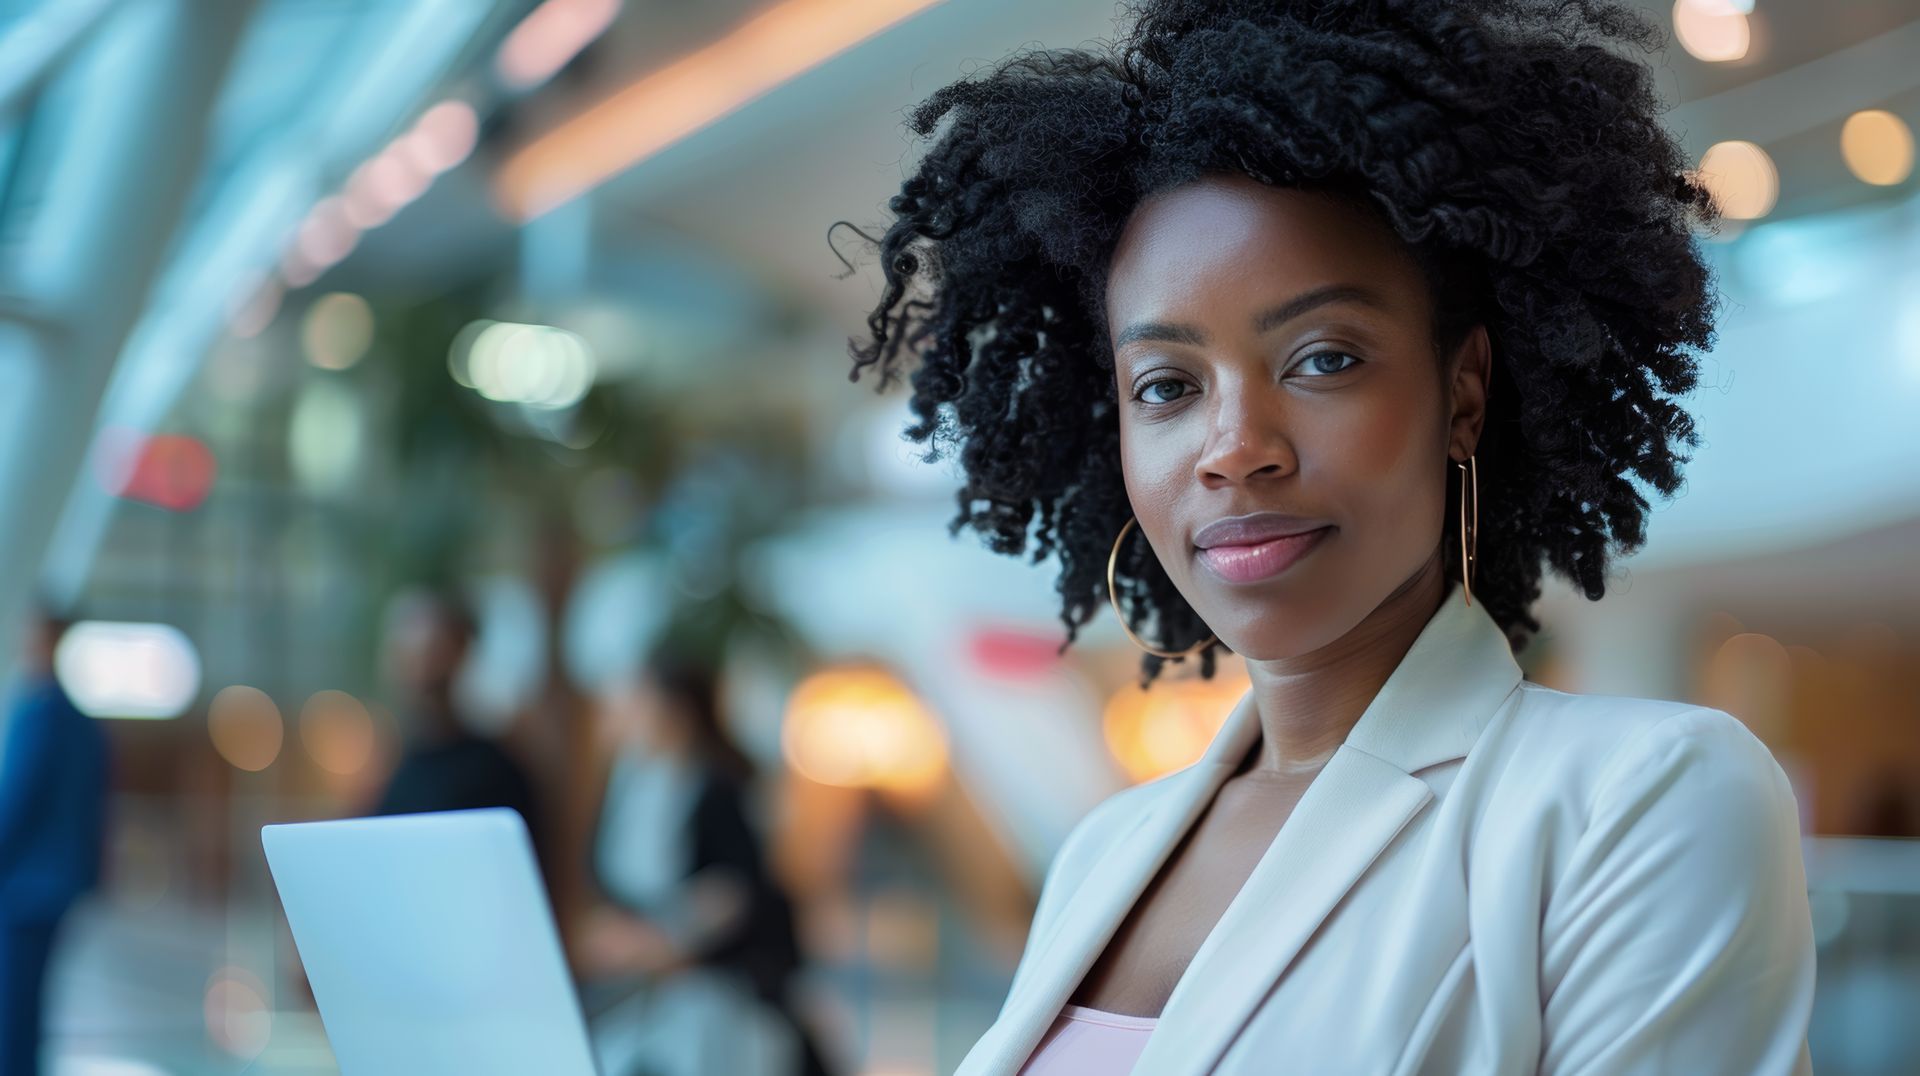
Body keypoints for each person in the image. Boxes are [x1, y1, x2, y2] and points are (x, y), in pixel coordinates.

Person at [841, 1, 1817, 1072]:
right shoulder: (1100, 851)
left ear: (1464, 393)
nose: (1234, 447)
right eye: (1166, 384)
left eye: (1322, 359)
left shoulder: (1641, 800)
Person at [578, 647, 832, 1076]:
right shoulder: (630, 782)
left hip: (711, 981)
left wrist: (662, 941)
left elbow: (736, 889)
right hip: (635, 987)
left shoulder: (718, 787)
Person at [0, 607, 110, 1076]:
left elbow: (16, 802)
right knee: (29, 1004)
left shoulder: (38, 714)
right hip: (61, 885)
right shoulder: (87, 726)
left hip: (23, 888)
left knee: (12, 1010)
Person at [371, 587, 541, 849]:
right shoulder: (393, 765)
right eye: (404, 649)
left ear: (462, 651)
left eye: (431, 649)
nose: (416, 665)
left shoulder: (493, 771)